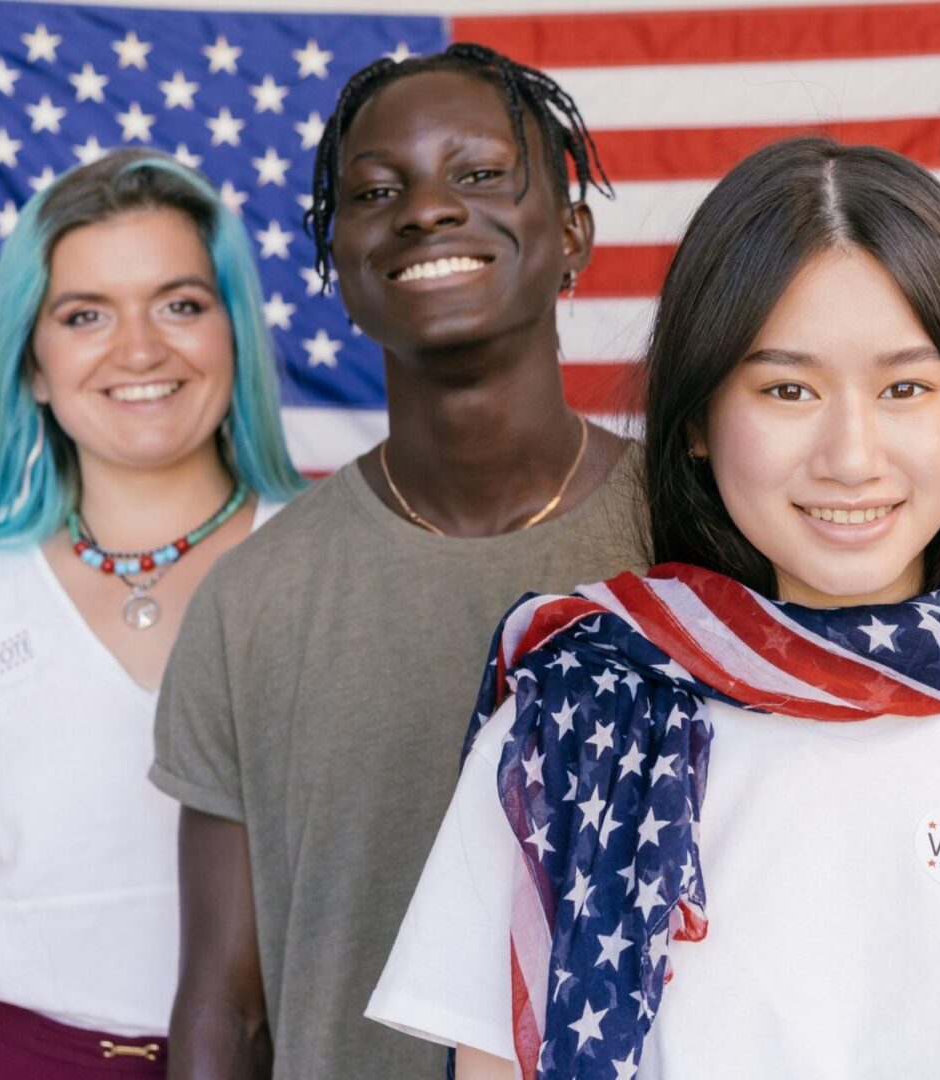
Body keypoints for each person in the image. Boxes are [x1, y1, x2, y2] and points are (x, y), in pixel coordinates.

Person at [367, 136, 940, 1079]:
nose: (851, 453)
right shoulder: (568, 730)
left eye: (906, 388)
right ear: (694, 424)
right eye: (788, 388)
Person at [151, 45, 647, 1080]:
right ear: (336, 269)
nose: (426, 210)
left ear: (572, 235)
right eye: (378, 192)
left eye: (477, 177)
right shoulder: (253, 601)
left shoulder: (702, 544)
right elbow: (221, 1012)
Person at [0, 150, 304, 1078]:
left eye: (180, 304)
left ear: (234, 335)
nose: (139, 350)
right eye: (85, 315)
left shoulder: (331, 563)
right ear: (36, 367)